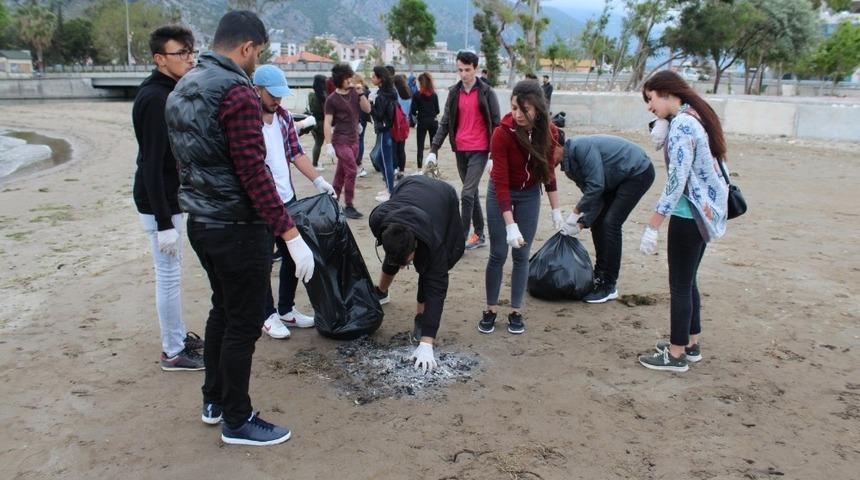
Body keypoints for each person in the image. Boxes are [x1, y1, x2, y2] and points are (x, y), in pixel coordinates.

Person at [166, 10, 315, 446]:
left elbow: (186, 161)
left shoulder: (183, 86)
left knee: (222, 311)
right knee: (244, 323)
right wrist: (290, 234)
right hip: (236, 227)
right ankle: (237, 418)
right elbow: (255, 173)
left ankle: (213, 399)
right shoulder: (237, 91)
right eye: (259, 53)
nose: (256, 62)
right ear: (247, 47)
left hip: (202, 224)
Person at [637, 70, 729, 373]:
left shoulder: (683, 125)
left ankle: (675, 355)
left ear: (665, 92)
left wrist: (653, 224)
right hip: (703, 214)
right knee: (688, 281)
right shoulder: (694, 116)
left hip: (688, 214)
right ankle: (691, 344)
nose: (650, 108)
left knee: (679, 284)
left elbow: (676, 180)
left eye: (650, 100)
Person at [133, 25, 204, 371]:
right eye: (181, 53)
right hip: (157, 202)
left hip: (170, 198)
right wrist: (163, 223)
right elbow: (150, 163)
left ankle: (177, 338)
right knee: (169, 276)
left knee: (172, 273)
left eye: (191, 52)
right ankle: (173, 350)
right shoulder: (154, 99)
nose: (189, 59)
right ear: (160, 59)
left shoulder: (170, 91)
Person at [252, 64, 337, 339]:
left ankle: (286, 308)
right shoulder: (248, 121)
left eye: (280, 95)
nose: (277, 100)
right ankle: (267, 315)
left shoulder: (284, 118)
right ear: (258, 90)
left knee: (292, 256)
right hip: (261, 204)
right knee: (264, 261)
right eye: (272, 95)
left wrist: (318, 180)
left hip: (287, 199)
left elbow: (296, 153)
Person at [478, 80, 561, 335]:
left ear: (537, 109)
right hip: (500, 194)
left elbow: (548, 172)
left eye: (524, 109)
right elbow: (500, 183)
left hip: (529, 195)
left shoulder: (549, 132)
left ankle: (515, 310)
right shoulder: (501, 134)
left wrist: (556, 209)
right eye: (514, 107)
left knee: (522, 255)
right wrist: (510, 224)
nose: (517, 114)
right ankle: (491, 308)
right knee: (498, 253)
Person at [369, 176, 465, 372]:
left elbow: (436, 290)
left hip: (444, 197)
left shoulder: (433, 244)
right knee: (395, 253)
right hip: (410, 184)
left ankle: (421, 319)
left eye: (407, 261)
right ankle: (381, 291)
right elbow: (394, 246)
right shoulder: (379, 220)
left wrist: (427, 343)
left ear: (415, 246)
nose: (405, 267)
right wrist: (397, 257)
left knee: (429, 271)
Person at [559, 135, 655, 303]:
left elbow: (596, 186)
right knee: (598, 223)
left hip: (637, 171)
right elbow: (596, 197)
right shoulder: (569, 168)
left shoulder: (581, 147)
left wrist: (575, 214)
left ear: (555, 146)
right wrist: (582, 223)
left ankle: (609, 285)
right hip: (614, 179)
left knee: (611, 223)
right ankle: (599, 276)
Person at [427, 51, 501, 250]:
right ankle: (479, 234)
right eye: (460, 70)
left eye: (467, 70)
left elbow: (496, 124)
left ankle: (460, 239)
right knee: (473, 193)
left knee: (466, 194)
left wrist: (494, 154)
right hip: (460, 149)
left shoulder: (486, 92)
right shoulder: (454, 93)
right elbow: (445, 123)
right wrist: (433, 149)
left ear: (475, 69)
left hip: (480, 149)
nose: (464, 74)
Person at [323, 63, 372, 219]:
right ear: (339, 79)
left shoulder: (354, 93)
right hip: (340, 141)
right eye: (346, 78)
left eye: (350, 76)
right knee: (351, 170)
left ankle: (333, 201)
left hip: (354, 140)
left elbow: (367, 109)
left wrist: (361, 94)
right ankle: (349, 205)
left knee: (341, 172)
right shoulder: (332, 99)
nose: (349, 80)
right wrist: (328, 143)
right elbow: (327, 122)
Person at [370, 65, 398, 202]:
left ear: (380, 79)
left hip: (384, 130)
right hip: (388, 130)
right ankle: (388, 187)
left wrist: (370, 106)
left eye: (374, 76)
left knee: (384, 160)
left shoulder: (382, 95)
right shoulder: (390, 92)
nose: (371, 78)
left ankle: (390, 191)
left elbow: (379, 115)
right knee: (380, 158)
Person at [411, 72, 440, 175]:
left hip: (422, 121)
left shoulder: (417, 95)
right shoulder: (434, 95)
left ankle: (419, 169)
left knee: (420, 145)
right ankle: (434, 170)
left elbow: (413, 110)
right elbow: (437, 110)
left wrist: (419, 113)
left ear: (420, 82)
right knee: (434, 146)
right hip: (433, 121)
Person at [392, 74, 413, 179]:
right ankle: (402, 171)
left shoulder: (395, 94)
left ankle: (395, 169)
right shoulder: (408, 92)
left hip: (396, 123)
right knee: (402, 148)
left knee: (394, 148)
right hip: (406, 123)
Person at [308, 74, 327, 170]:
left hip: (312, 122)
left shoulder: (311, 95)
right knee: (318, 144)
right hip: (322, 123)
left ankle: (315, 162)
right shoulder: (324, 97)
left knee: (317, 143)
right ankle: (315, 164)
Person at [353, 73, 371, 178]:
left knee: (358, 141)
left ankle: (358, 163)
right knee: (360, 140)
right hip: (363, 118)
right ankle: (358, 163)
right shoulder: (366, 91)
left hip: (359, 118)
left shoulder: (358, 92)